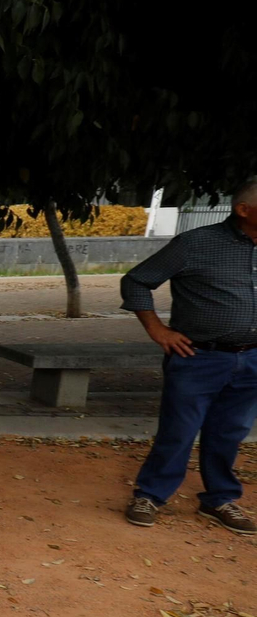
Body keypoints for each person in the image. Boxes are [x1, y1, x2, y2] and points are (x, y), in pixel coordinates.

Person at [120, 177, 257, 535]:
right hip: (199, 357)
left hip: (252, 359)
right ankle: (150, 495)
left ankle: (219, 499)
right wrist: (157, 330)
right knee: (179, 431)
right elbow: (137, 281)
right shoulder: (196, 243)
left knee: (230, 432)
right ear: (244, 210)